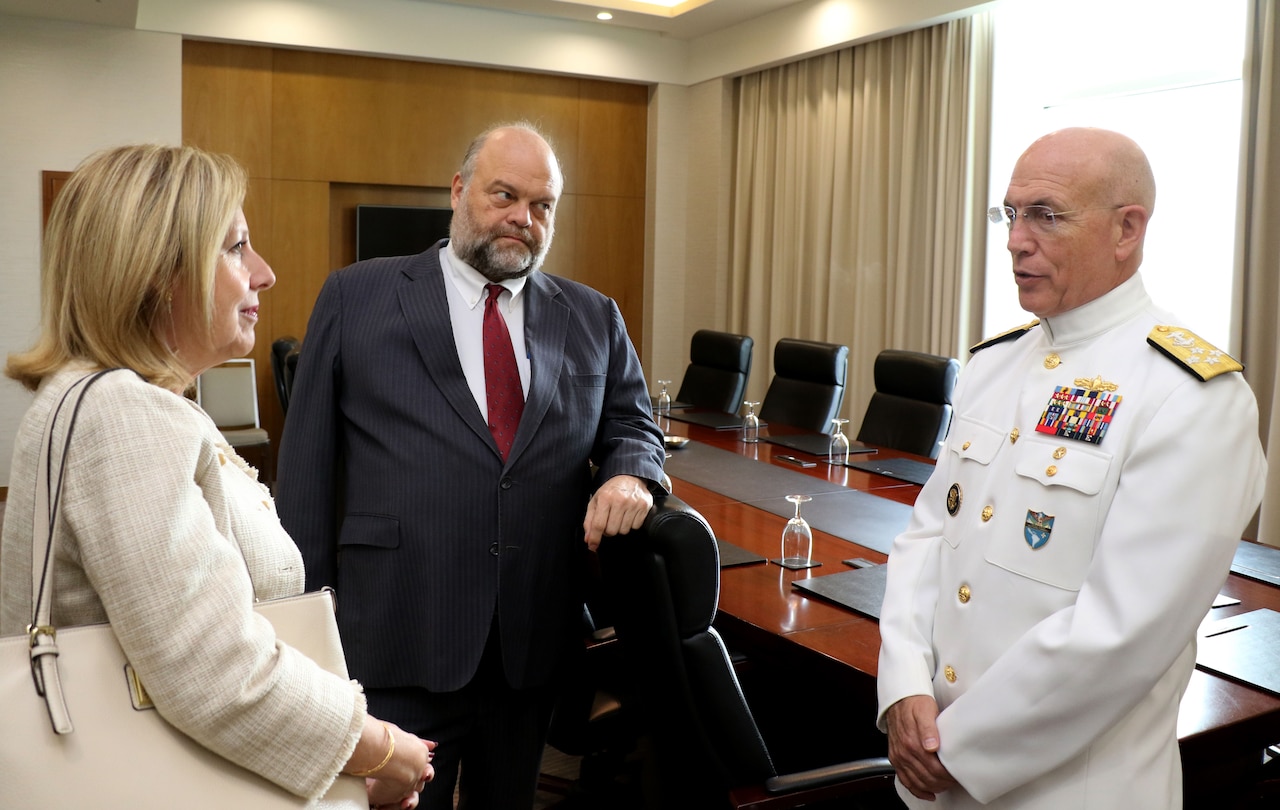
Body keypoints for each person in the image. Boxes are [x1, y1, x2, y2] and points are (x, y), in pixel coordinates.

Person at [0, 144, 435, 809]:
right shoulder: (125, 414)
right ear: (156, 275)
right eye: (236, 248)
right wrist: (376, 745)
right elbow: (214, 670)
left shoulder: (107, 401)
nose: (264, 273)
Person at [275, 121, 666, 808]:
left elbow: (633, 421)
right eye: (504, 195)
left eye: (542, 205)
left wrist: (629, 472)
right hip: (396, 632)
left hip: (529, 642)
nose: (522, 218)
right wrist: (307, 638)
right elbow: (306, 475)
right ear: (458, 193)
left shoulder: (593, 316)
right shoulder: (356, 296)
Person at [876, 127, 1267, 809]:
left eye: (1046, 215)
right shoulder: (996, 365)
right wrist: (904, 685)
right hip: (932, 778)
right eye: (1011, 212)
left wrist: (953, 747)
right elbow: (930, 536)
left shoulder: (1190, 394)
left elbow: (1121, 632)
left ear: (1127, 230)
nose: (1014, 240)